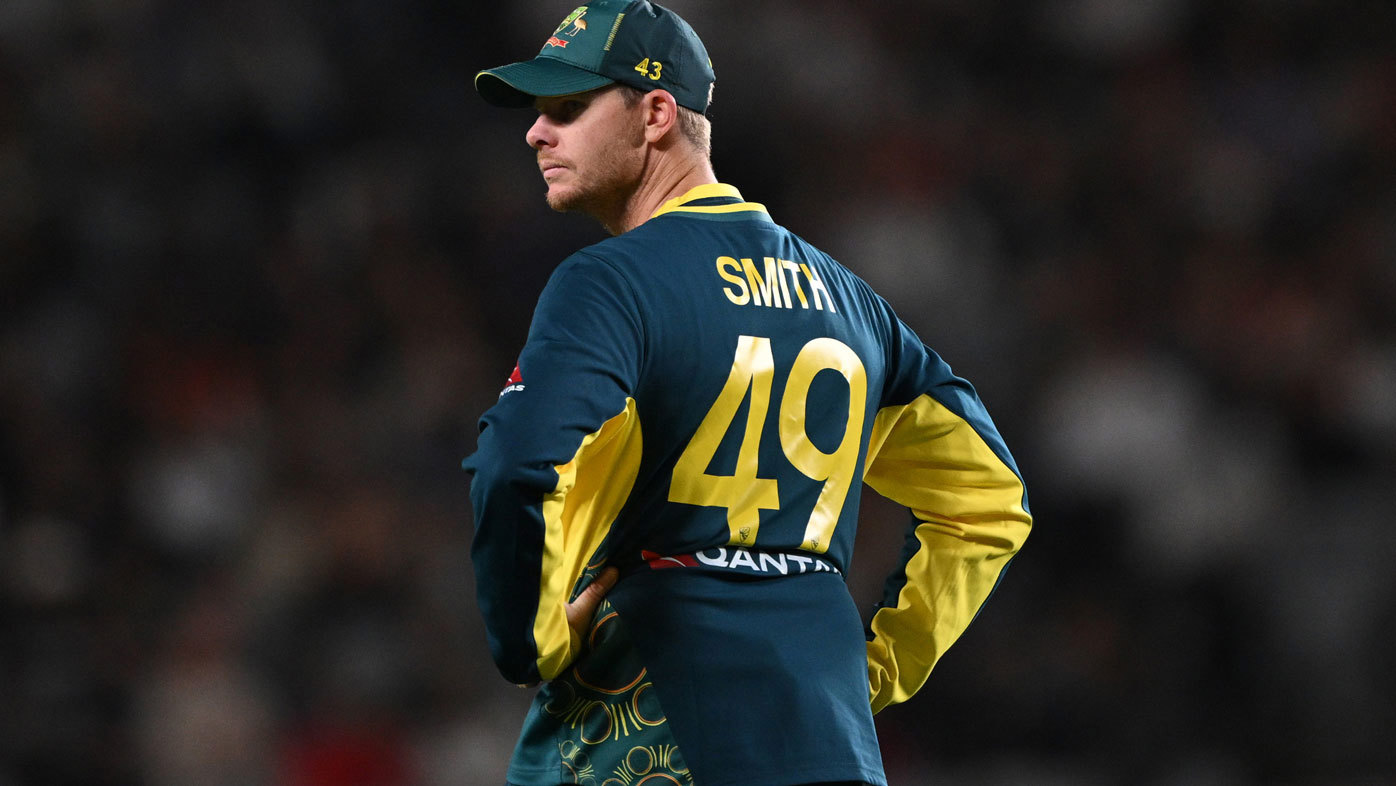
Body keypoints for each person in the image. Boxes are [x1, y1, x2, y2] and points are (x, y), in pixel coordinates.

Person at [463, 2, 1032, 784]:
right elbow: (990, 500)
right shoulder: (848, 301)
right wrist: (872, 670)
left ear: (656, 112)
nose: (537, 132)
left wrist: (535, 643)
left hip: (652, 726)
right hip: (825, 741)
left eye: (568, 108)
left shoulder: (611, 285)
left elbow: (520, 464)